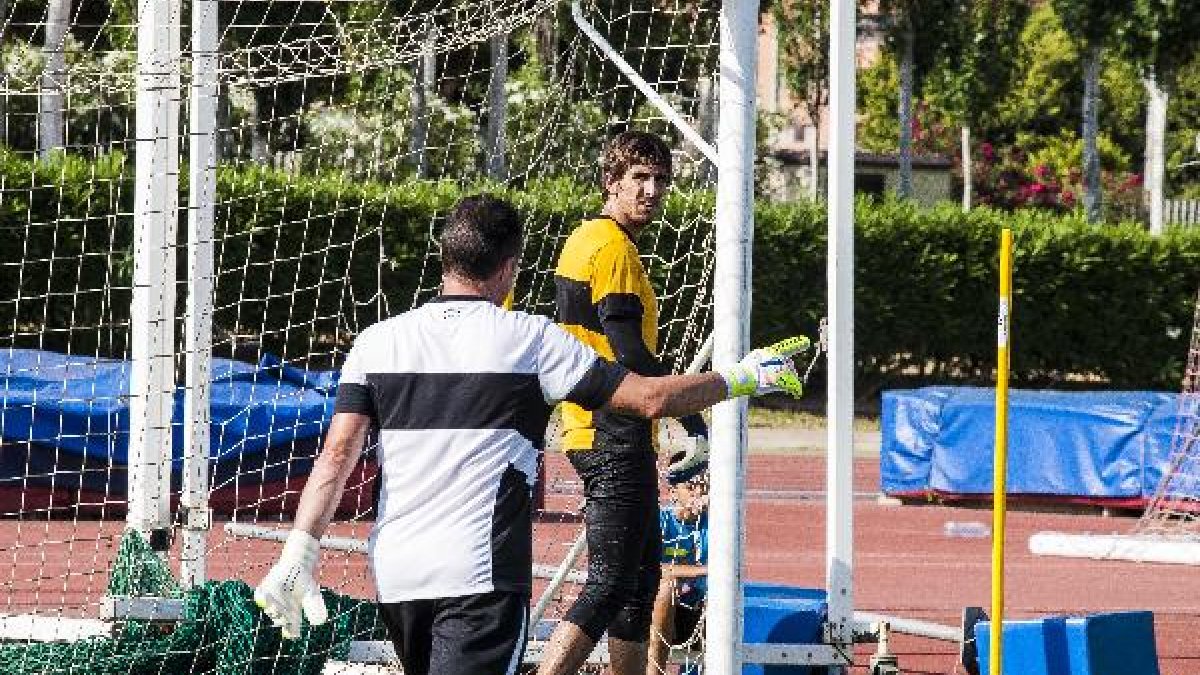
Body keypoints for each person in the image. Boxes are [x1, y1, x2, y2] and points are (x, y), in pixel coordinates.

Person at [252, 194, 806, 675]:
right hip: (479, 576)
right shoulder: (529, 339)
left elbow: (336, 457)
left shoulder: (377, 341)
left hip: (399, 575)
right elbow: (648, 397)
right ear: (508, 268)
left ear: (445, 258)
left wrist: (299, 553)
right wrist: (746, 376)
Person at [539, 130, 798, 675]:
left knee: (639, 583)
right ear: (610, 182)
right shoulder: (610, 246)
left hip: (609, 428)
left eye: (660, 179)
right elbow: (630, 353)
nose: (652, 190)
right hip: (609, 429)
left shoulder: (593, 240)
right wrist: (695, 422)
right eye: (639, 177)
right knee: (611, 583)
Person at [647, 454, 709, 675]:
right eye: (691, 487)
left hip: (702, 615)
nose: (699, 493)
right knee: (665, 589)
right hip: (656, 615)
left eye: (704, 486)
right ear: (673, 492)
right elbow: (650, 569)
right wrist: (703, 570)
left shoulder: (718, 523)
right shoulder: (659, 521)